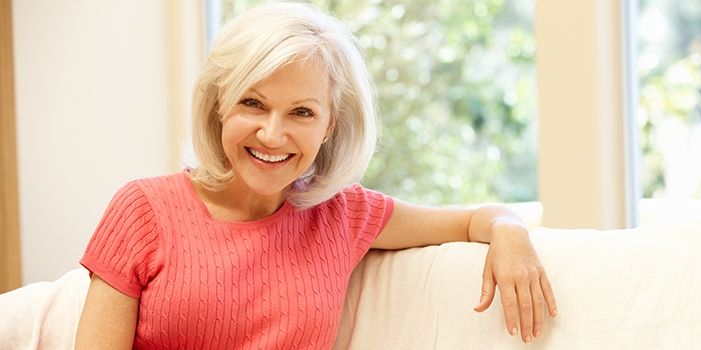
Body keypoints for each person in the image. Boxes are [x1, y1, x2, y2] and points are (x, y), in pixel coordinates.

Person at [74, 2, 556, 349]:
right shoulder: (142, 209)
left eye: (302, 112)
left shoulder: (342, 215)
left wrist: (509, 231)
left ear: (329, 128)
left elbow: (477, 218)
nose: (271, 133)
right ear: (219, 104)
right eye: (252, 102)